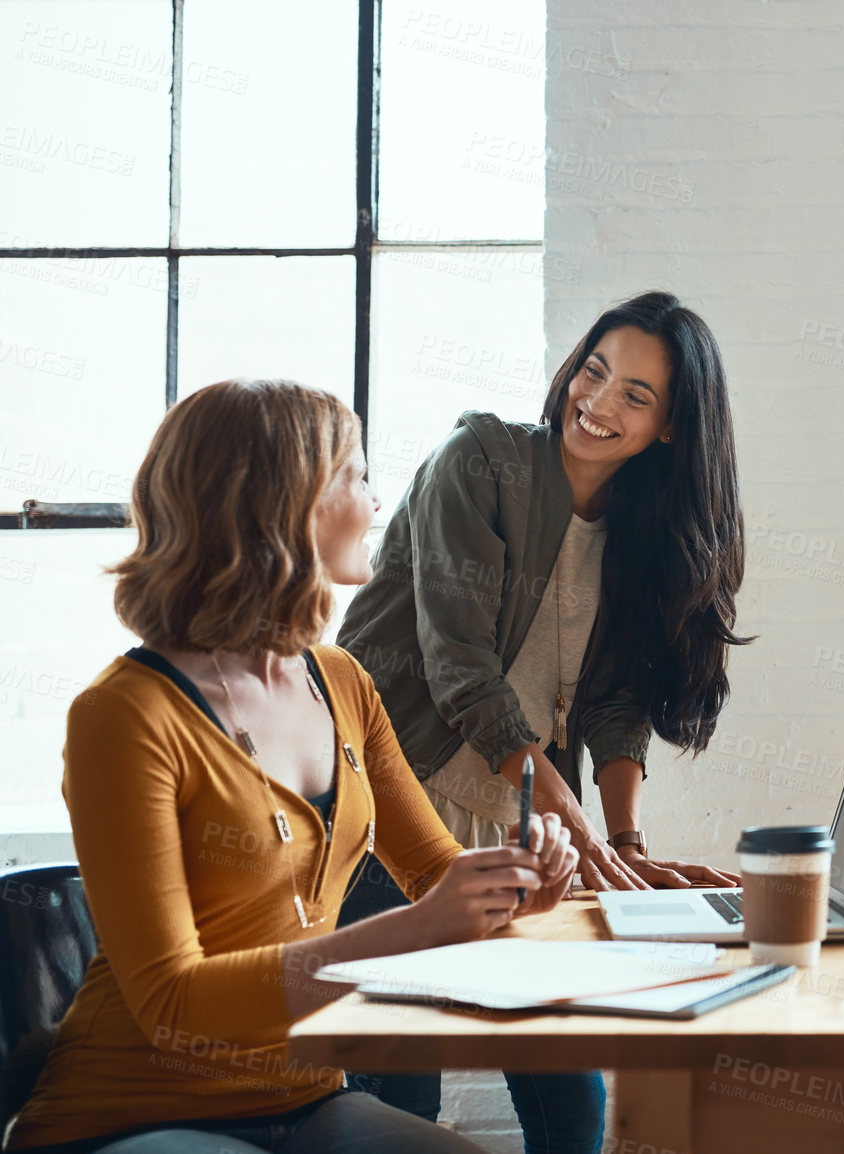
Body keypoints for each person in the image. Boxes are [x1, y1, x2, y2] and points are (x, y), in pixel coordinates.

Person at [2, 380, 579, 1154]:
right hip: (130, 1114)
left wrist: (519, 883)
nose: (378, 503)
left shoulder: (341, 681)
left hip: (306, 1098)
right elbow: (173, 1001)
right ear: (284, 502)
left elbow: (436, 877)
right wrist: (415, 928)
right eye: (359, 476)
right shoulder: (126, 715)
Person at [334, 291, 752, 1150]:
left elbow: (614, 701)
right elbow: (462, 673)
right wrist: (584, 837)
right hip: (391, 813)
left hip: (520, 824)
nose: (597, 404)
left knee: (570, 1098)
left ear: (671, 427)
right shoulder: (479, 463)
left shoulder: (637, 530)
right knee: (402, 1097)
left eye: (636, 395)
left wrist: (625, 845)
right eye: (594, 372)